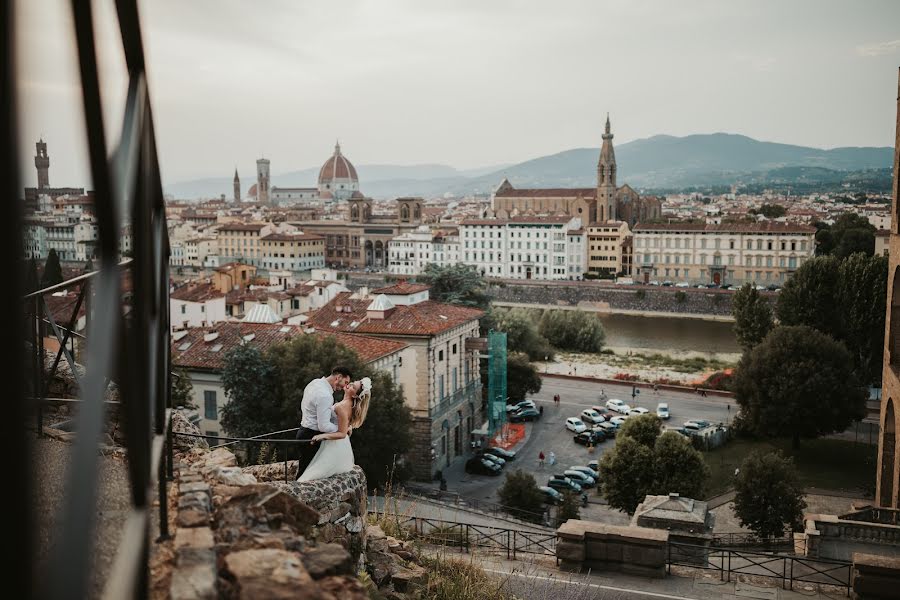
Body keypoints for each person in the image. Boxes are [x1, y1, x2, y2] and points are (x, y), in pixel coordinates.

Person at [298, 377, 372, 481]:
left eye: (353, 387)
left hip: (334, 444)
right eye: (352, 383)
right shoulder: (348, 405)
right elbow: (345, 423)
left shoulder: (342, 406)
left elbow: (341, 434)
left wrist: (322, 436)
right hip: (340, 444)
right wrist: (348, 427)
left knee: (312, 474)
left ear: (355, 395)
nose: (349, 384)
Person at [295, 366, 352, 476]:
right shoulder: (325, 395)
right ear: (338, 377)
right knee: (307, 476)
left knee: (304, 471)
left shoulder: (315, 382)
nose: (344, 387)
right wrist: (342, 429)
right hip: (312, 438)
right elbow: (324, 426)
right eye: (345, 382)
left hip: (303, 432)